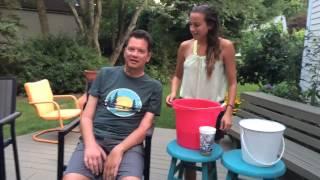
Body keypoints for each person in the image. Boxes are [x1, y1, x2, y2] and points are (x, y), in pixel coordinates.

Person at [64, 29, 162, 180]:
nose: (134, 54)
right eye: (131, 49)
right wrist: (90, 145)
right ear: (124, 51)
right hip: (95, 139)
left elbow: (144, 128)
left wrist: (119, 150)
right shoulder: (105, 74)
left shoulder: (154, 87)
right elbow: (86, 116)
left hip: (129, 146)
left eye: (140, 51)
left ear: (148, 57)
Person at [166, 4, 237, 180]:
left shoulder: (226, 47)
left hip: (213, 114)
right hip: (187, 112)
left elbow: (233, 82)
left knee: (206, 157)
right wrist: (174, 92)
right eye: (190, 24)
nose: (192, 29)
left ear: (210, 25)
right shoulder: (185, 46)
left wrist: (228, 111)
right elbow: (177, 76)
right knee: (189, 159)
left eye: (197, 25)